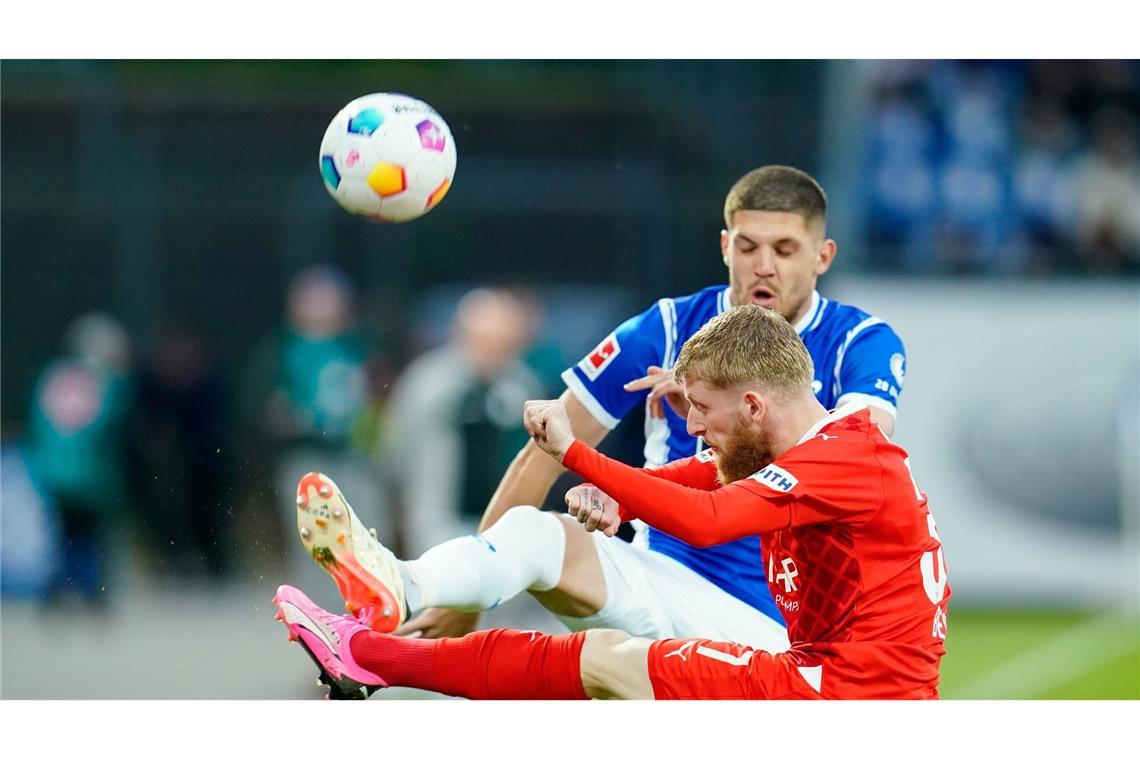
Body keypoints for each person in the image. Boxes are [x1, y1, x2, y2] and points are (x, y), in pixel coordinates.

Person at [292, 166, 907, 652]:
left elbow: (857, 462)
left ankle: (375, 656)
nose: (764, 266)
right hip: (658, 576)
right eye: (748, 246)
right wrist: (466, 599)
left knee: (587, 670)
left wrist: (729, 401)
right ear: (724, 246)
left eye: (785, 248)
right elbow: (543, 453)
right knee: (537, 536)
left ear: (822, 256)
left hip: (777, 623)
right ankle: (402, 586)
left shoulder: (862, 343)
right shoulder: (666, 328)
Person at [274, 305, 949, 699]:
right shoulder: (815, 445)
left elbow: (707, 520)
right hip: (831, 679)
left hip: (845, 697)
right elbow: (703, 475)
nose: (694, 427)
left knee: (604, 662)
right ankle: (377, 630)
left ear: (753, 403)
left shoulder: (841, 460)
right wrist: (623, 495)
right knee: (598, 653)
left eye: (706, 413)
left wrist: (574, 454)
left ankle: (369, 651)